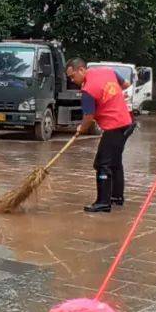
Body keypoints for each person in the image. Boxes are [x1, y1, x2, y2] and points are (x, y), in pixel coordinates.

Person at [65, 59, 134, 213]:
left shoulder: (88, 90)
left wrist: (80, 129)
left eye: (72, 76)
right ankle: (117, 197)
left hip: (114, 126)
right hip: (127, 123)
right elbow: (126, 85)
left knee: (102, 164)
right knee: (115, 162)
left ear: (81, 70)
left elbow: (89, 117)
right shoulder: (107, 71)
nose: (72, 80)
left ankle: (103, 202)